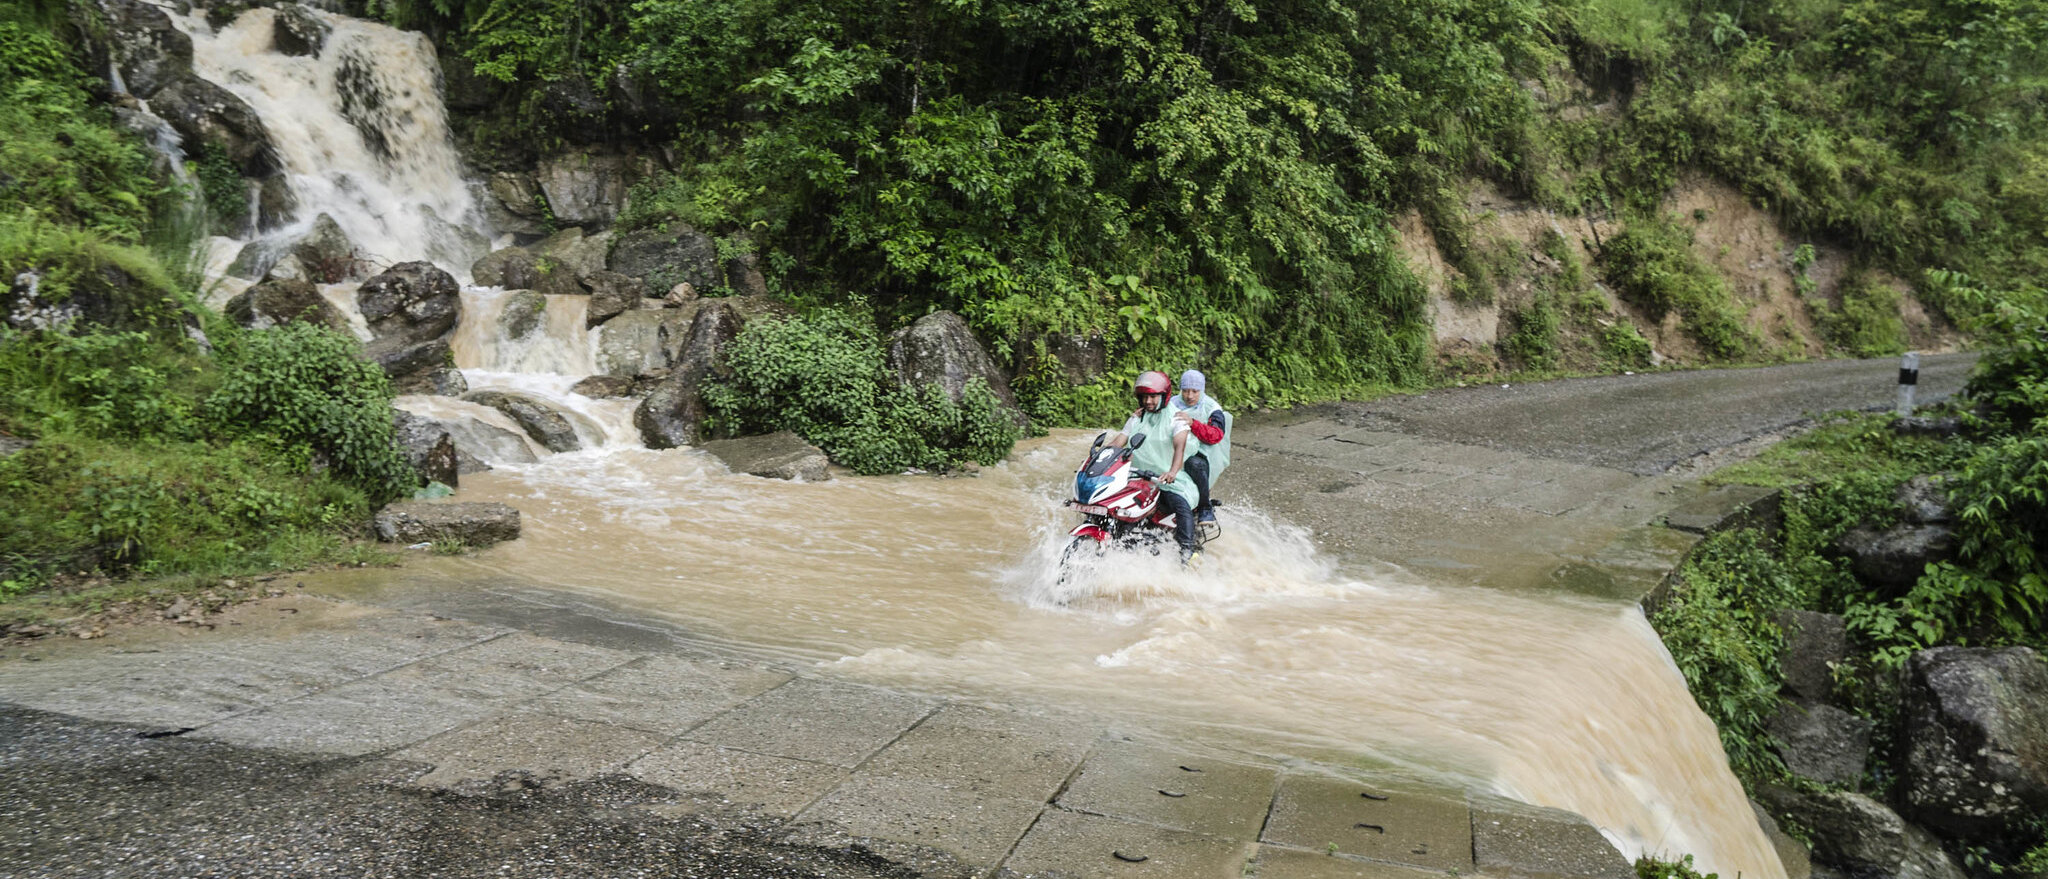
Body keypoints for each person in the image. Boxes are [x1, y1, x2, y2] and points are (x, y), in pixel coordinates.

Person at [1113, 370, 1203, 565]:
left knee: (1180, 503)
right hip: (1135, 477)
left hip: (1165, 478)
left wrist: (1172, 472)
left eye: (1153, 396)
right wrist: (1097, 457)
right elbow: (1120, 440)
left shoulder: (1176, 418)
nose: (1148, 401)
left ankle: (1187, 552)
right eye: (1144, 396)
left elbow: (1180, 447)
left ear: (1164, 396)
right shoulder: (1137, 417)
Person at [1170, 370, 1230, 524]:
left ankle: (1205, 506)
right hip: (1173, 447)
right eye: (1185, 391)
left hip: (1201, 452)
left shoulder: (1212, 408)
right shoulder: (1172, 403)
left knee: (1195, 465)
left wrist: (1193, 423)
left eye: (1194, 391)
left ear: (1201, 390)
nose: (1189, 396)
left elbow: (1215, 435)